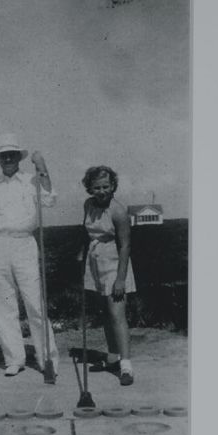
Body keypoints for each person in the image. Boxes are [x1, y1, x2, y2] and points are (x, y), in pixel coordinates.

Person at [0, 134, 59, 377]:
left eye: (12, 155)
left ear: (19, 158)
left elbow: (50, 200)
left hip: (24, 243)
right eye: (4, 156)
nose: (8, 159)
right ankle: (14, 359)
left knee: (35, 302)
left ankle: (47, 360)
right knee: (2, 305)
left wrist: (42, 167)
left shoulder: (32, 180)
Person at [79, 165, 136, 385]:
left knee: (117, 314)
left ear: (113, 186)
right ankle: (113, 358)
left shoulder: (118, 210)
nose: (102, 191)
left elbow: (126, 246)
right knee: (105, 312)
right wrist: (81, 253)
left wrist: (120, 279)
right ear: (90, 188)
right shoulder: (88, 204)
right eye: (97, 187)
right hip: (95, 262)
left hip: (115, 263)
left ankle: (126, 367)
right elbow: (86, 231)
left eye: (106, 186)